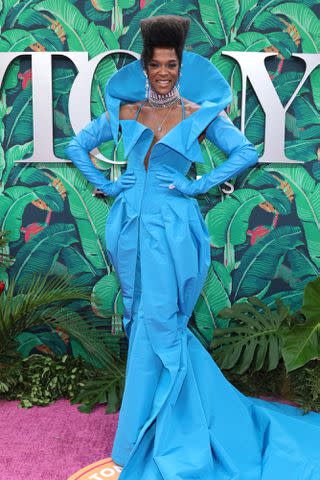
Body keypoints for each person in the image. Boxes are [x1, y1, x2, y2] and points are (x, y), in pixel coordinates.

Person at [66, 14, 320, 480]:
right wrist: (106, 184)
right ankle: (154, 420)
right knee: (140, 316)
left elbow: (245, 151)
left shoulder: (198, 114)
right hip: (128, 227)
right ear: (144, 66)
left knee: (159, 321)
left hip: (173, 228)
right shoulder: (126, 111)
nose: (163, 72)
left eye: (172, 65)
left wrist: (198, 184)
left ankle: (148, 435)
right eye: (156, 64)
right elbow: (77, 146)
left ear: (181, 67)